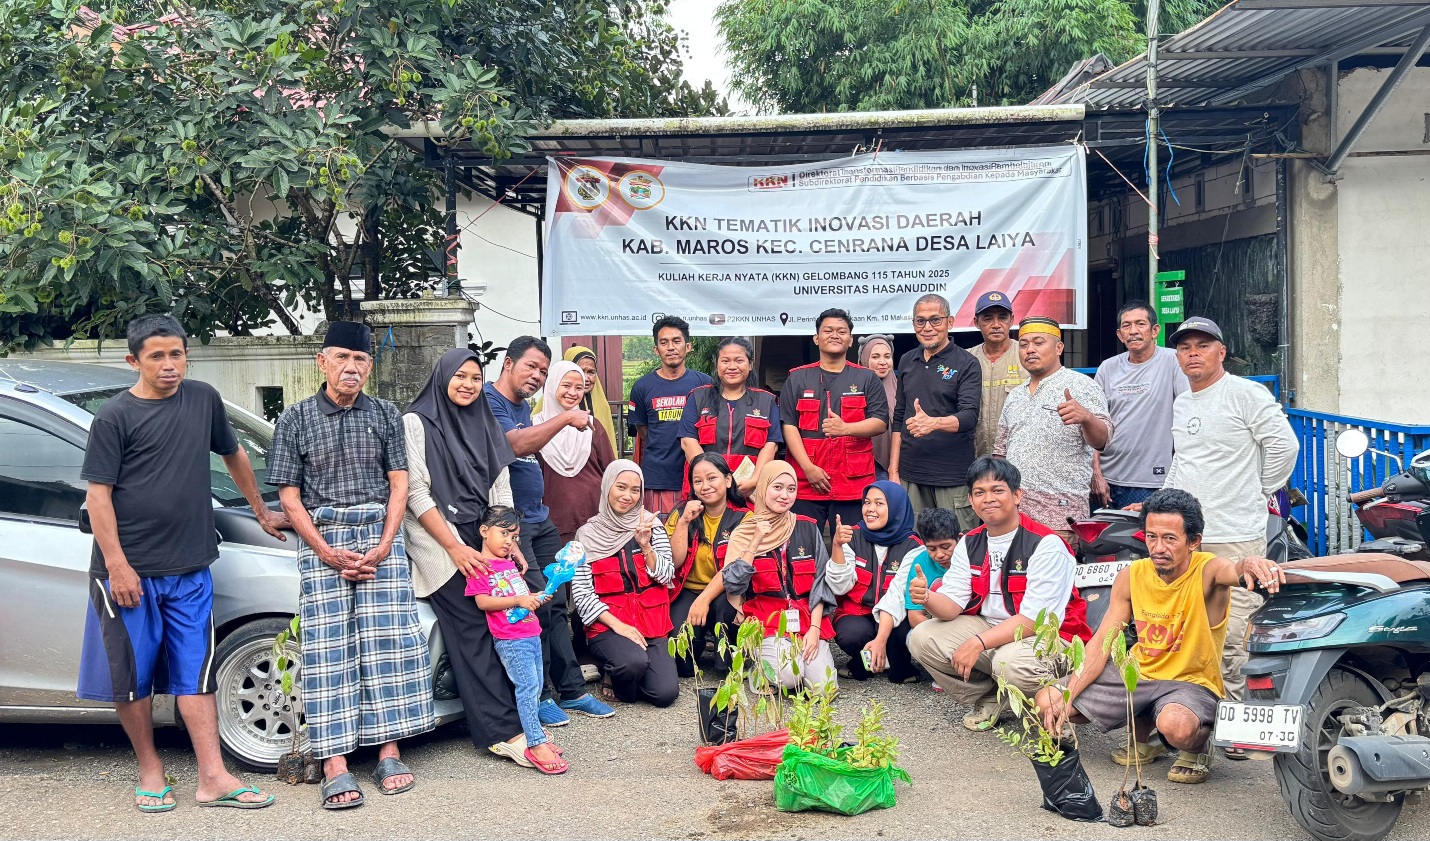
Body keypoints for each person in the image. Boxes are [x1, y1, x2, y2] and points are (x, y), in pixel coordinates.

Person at [78, 314, 281, 813]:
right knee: (134, 677)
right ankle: (150, 769)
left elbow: (233, 454)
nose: (169, 365)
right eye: (157, 356)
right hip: (130, 573)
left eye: (177, 354)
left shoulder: (203, 399)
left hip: (191, 565)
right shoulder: (114, 417)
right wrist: (118, 565)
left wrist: (260, 510)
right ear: (134, 361)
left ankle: (213, 777)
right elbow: (98, 498)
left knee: (197, 674)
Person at [269, 321, 433, 808]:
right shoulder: (295, 418)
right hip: (323, 539)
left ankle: (388, 750)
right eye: (341, 357)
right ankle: (334, 762)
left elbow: (399, 483)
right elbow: (289, 497)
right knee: (328, 648)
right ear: (322, 361)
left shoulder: (386, 414)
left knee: (389, 643)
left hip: (380, 535)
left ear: (369, 365)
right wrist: (324, 550)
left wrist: (385, 544)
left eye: (360, 359)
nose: (351, 367)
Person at [1037, 489, 1286, 785]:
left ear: (1193, 541)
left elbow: (1233, 569)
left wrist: (1251, 562)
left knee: (1177, 726)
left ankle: (1198, 746)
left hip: (1190, 683)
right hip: (1139, 675)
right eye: (1151, 537)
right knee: (1047, 700)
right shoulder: (1131, 576)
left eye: (1169, 538)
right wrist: (1068, 695)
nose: (1158, 547)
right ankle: (1147, 739)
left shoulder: (1208, 570)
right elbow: (1103, 642)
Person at [1152, 317, 1297, 734]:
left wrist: (1259, 488)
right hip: (1188, 540)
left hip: (1235, 536)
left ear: (1222, 352)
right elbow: (1184, 460)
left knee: (1233, 637)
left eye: (1202, 345)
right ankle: (1192, 720)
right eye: (1184, 347)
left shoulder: (1245, 393)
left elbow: (1284, 445)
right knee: (1187, 633)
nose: (1192, 353)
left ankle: (1233, 727)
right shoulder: (1184, 402)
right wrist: (1165, 501)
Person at [401, 348, 537, 769]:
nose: (468, 385)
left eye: (476, 378)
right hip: (436, 537)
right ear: (443, 377)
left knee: (515, 616)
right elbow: (415, 492)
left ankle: (525, 709)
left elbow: (499, 486)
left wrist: (509, 539)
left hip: (483, 533)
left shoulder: (484, 421)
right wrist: (454, 547)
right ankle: (502, 731)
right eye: (460, 376)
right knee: (475, 620)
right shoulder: (416, 423)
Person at [485, 337, 615, 724]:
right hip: (514, 524)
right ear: (508, 363)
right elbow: (514, 445)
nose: (537, 376)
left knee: (555, 603)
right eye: (532, 367)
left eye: (543, 371)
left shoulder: (521, 406)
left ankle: (571, 690)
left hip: (539, 518)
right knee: (531, 606)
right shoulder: (491, 401)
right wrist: (566, 418)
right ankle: (539, 695)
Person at [908, 458, 1091, 732]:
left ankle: (1053, 706)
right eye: (979, 492)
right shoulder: (970, 542)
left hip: (1051, 637)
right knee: (922, 637)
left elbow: (1036, 621)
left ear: (1017, 495)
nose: (988, 499)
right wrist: (926, 597)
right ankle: (992, 696)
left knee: (1010, 662)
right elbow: (951, 605)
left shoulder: (1045, 544)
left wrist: (977, 643)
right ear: (971, 500)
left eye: (997, 490)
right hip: (993, 631)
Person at [464, 505, 568, 775]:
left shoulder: (510, 564)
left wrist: (534, 598)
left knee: (535, 687)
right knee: (527, 688)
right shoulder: (481, 567)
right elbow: (483, 602)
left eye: (514, 536)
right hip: (511, 639)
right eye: (504, 533)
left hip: (530, 633)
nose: (509, 541)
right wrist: (520, 600)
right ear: (484, 531)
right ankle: (534, 742)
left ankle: (535, 733)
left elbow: (518, 598)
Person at [721, 461, 840, 693]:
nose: (784, 495)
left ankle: (795, 659)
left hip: (806, 618)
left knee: (824, 689)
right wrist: (756, 541)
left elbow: (821, 583)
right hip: (766, 619)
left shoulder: (807, 527)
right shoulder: (745, 531)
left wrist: (815, 629)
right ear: (763, 488)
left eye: (791, 489)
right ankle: (758, 671)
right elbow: (733, 584)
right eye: (777, 487)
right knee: (789, 677)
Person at [570, 461, 680, 708]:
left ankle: (621, 669)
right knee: (632, 663)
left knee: (665, 693)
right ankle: (616, 669)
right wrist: (619, 627)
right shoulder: (587, 535)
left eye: (635, 490)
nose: (627, 496)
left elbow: (666, 576)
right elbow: (582, 594)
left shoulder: (652, 526)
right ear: (607, 487)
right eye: (621, 487)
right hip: (609, 625)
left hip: (652, 623)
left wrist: (646, 546)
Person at [994, 316, 1112, 541]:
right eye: (1024, 344)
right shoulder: (1015, 395)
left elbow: (1103, 441)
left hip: (1060, 518)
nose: (1030, 349)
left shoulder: (1081, 385)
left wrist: (1086, 418)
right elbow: (1000, 453)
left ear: (1059, 348)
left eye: (1039, 343)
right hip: (1015, 517)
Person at [778, 308, 890, 535]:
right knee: (804, 547)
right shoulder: (797, 378)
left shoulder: (866, 378)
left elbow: (880, 421)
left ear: (851, 340)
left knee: (852, 547)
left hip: (853, 483)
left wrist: (846, 428)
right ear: (816, 338)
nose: (835, 335)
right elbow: (788, 425)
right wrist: (808, 469)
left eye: (842, 331)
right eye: (828, 330)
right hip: (806, 482)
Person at [889, 294, 981, 530]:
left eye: (935, 320)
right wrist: (893, 470)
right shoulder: (907, 360)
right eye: (920, 321)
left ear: (950, 322)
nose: (927, 327)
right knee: (915, 542)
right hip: (911, 475)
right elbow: (899, 417)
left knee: (956, 543)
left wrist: (934, 423)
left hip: (951, 476)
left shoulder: (967, 363)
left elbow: (970, 416)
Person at [1092, 301, 1189, 509]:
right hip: (1107, 480)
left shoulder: (1173, 361)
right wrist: (1096, 473)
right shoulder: (1107, 368)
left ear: (1155, 330)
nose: (1133, 331)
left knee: (1145, 530)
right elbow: (1094, 422)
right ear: (1120, 335)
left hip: (1152, 479)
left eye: (1140, 324)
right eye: (1126, 326)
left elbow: (1188, 415)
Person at [824, 481, 924, 683]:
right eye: (867, 502)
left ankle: (888, 663)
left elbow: (896, 596)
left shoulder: (914, 546)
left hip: (895, 615)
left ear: (896, 508)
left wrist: (880, 639)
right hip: (858, 612)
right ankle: (871, 661)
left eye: (879, 503)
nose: (870, 509)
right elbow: (839, 586)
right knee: (851, 634)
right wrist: (837, 546)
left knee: (901, 633)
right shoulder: (852, 535)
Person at [666, 453, 746, 677]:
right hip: (688, 590)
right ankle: (697, 644)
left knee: (725, 666)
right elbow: (674, 562)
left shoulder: (744, 518)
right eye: (698, 481)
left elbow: (734, 569)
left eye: (712, 478)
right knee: (681, 661)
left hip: (726, 591)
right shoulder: (681, 513)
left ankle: (729, 658)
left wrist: (704, 600)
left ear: (728, 480)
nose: (705, 486)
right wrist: (684, 522)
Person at [628, 316, 713, 517]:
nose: (671, 347)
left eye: (676, 341)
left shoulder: (705, 384)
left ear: (688, 346)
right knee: (660, 532)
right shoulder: (642, 387)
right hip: (659, 478)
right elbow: (643, 431)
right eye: (664, 342)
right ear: (656, 349)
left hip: (699, 477)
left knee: (697, 533)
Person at [678, 336, 781, 497]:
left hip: (749, 489)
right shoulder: (698, 397)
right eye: (725, 361)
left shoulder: (767, 401)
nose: (732, 367)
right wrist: (712, 478)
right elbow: (688, 442)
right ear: (717, 364)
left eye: (739, 360)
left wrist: (755, 480)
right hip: (706, 489)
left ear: (750, 364)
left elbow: (771, 445)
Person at [535, 359, 617, 544]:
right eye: (566, 385)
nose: (572, 393)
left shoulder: (592, 426)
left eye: (579, 388)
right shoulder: (536, 428)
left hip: (594, 522)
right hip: (553, 524)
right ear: (552, 385)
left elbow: (611, 472)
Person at [968, 291, 1025, 460]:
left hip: (1018, 456)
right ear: (976, 322)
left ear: (1012, 320)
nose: (996, 325)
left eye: (1002, 318)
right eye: (988, 318)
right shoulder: (966, 359)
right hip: (975, 457)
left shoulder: (1026, 356)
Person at [533, 345, 618, 455]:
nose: (586, 378)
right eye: (580, 371)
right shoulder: (546, 407)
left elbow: (607, 449)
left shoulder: (602, 406)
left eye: (591, 372)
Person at [858, 334, 898, 481]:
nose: (882, 362)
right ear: (864, 359)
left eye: (887, 356)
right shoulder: (853, 391)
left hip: (898, 466)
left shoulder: (902, 389)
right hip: (862, 464)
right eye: (875, 357)